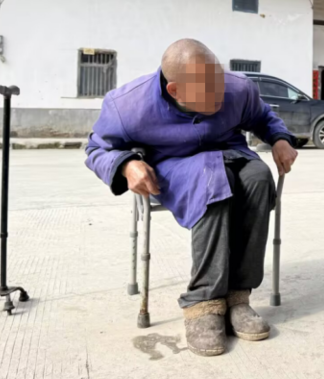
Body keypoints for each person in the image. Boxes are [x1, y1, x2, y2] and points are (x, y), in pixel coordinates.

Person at [85, 39, 298, 357]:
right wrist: (127, 165)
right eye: (209, 91)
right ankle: (204, 302)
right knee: (211, 182)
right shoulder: (127, 106)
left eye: (220, 82)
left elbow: (264, 118)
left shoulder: (238, 88)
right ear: (175, 91)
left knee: (258, 177)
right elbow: (96, 149)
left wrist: (280, 138)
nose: (220, 94)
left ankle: (238, 296)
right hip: (175, 164)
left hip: (232, 155)